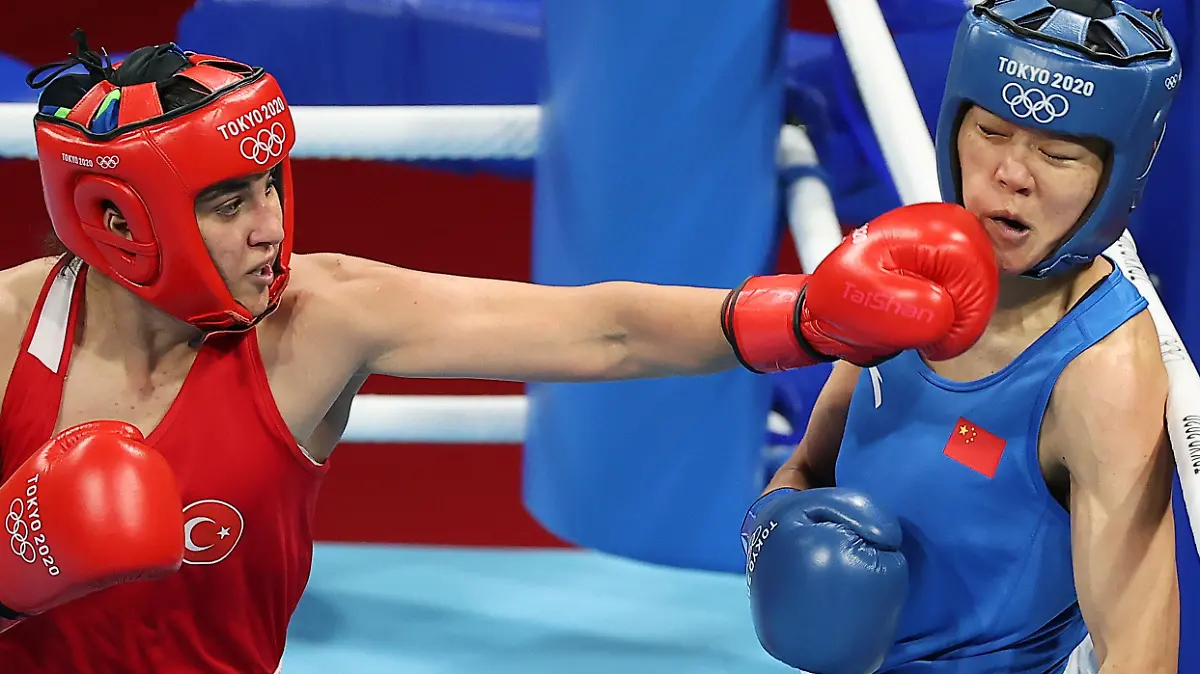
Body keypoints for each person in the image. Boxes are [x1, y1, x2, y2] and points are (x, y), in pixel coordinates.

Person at [0, 31, 1000, 673]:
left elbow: (595, 329)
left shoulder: (318, 316)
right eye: (229, 202)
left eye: (272, 183)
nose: (271, 228)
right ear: (116, 219)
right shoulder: (10, 333)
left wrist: (806, 317)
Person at [741, 0, 1183, 672]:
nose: (1012, 174)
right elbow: (809, 468)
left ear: (1115, 176)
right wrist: (772, 533)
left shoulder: (1101, 368)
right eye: (993, 131)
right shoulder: (902, 268)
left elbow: (1138, 650)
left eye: (1057, 153)